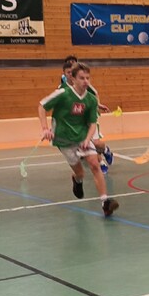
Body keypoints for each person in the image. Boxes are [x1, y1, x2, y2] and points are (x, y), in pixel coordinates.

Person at [39, 61, 118, 217]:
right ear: (73, 79)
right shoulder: (62, 93)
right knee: (80, 172)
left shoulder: (91, 99)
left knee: (94, 164)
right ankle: (77, 180)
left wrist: (87, 139)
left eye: (88, 78)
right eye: (82, 78)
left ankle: (105, 202)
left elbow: (92, 123)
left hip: (82, 137)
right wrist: (45, 129)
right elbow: (42, 106)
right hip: (64, 140)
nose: (85, 81)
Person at [61, 55, 114, 173]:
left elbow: (94, 94)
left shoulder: (83, 83)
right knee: (87, 144)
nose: (70, 74)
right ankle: (100, 163)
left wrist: (98, 105)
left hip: (89, 117)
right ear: (64, 73)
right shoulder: (62, 88)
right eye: (68, 72)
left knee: (96, 143)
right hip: (77, 121)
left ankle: (106, 150)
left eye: (71, 71)